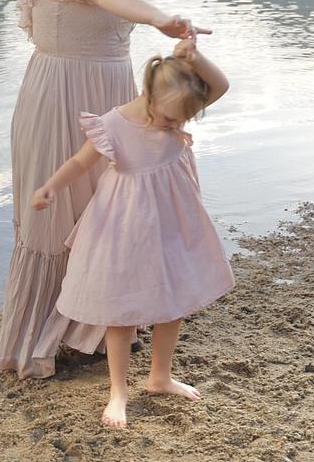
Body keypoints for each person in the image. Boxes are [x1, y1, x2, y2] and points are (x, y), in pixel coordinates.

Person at [0, 0, 207, 379]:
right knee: (59, 215)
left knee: (110, 212)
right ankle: (43, 334)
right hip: (61, 98)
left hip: (111, 97)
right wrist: (160, 18)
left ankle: (94, 326)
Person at [31, 36, 234, 428]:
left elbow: (221, 85)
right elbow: (80, 162)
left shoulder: (180, 101)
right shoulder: (113, 124)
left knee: (172, 302)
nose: (176, 127)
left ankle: (160, 376)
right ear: (149, 97)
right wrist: (52, 187)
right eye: (170, 120)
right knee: (120, 311)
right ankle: (118, 391)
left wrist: (195, 58)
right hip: (124, 226)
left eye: (182, 122)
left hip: (173, 224)